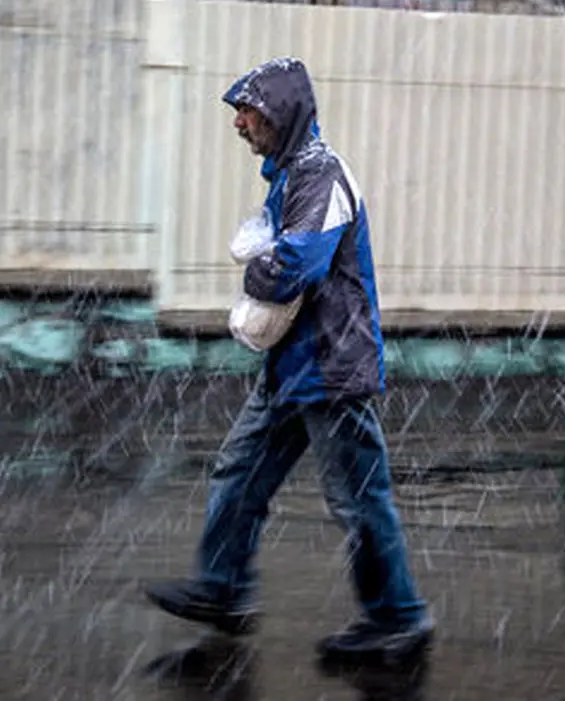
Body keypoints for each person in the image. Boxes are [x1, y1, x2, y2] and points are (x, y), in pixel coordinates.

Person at [144, 57, 433, 662]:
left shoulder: (323, 176)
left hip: (330, 370)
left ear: (282, 114)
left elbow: (295, 266)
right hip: (292, 368)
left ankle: (398, 618)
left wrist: (255, 270)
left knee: (358, 499)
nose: (240, 124)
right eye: (239, 112)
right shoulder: (290, 177)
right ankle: (223, 589)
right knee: (239, 472)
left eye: (248, 111)